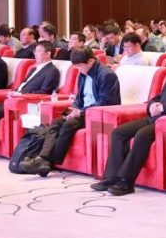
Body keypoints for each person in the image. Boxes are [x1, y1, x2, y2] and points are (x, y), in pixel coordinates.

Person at [91, 42, 166, 196]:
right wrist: (152, 105)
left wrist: (163, 107)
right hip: (156, 117)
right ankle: (111, 177)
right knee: (119, 132)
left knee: (142, 134)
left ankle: (126, 181)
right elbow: (158, 96)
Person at [21, 48, 122, 177]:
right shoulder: (82, 74)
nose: (79, 70)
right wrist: (74, 108)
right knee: (56, 122)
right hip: (83, 110)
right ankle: (43, 159)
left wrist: (81, 112)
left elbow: (107, 102)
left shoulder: (106, 75)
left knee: (69, 124)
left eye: (80, 66)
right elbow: (79, 98)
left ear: (90, 61)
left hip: (97, 113)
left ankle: (49, 162)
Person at [0, 40, 60, 162]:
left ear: (48, 54)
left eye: (38, 51)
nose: (35, 53)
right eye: (35, 51)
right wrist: (14, 92)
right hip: (15, 99)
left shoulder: (51, 71)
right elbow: (23, 86)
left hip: (25, 103)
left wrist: (21, 95)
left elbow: (44, 92)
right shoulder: (34, 69)